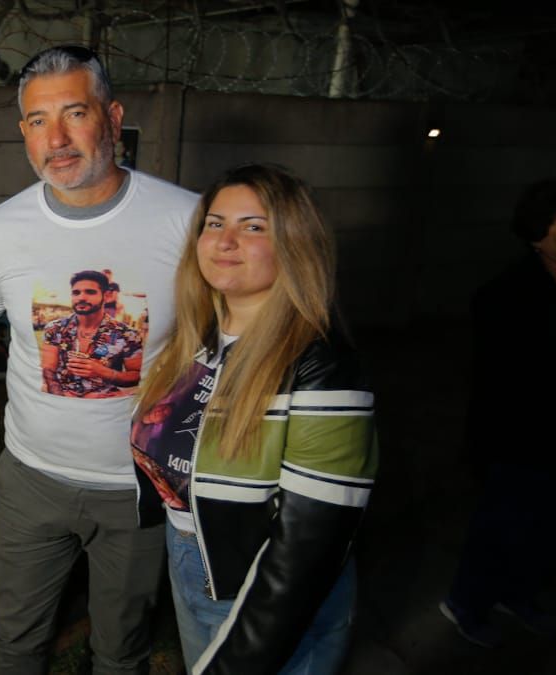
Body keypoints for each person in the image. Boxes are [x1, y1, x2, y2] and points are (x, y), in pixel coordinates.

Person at [0, 45, 198, 674]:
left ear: (114, 117)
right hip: (30, 482)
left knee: (120, 651)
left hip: (138, 489)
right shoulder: (0, 229)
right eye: (39, 121)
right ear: (23, 133)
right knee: (14, 643)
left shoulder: (187, 220)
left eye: (75, 113)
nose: (57, 139)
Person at [132, 163, 378, 674]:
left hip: (275, 597)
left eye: (254, 226)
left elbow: (308, 551)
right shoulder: (194, 340)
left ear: (294, 244)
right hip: (192, 562)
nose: (225, 240)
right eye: (215, 223)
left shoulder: (323, 365)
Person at [439, 178, 556, 647]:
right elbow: (502, 386)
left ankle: (520, 595)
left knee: (549, 532)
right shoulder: (506, 297)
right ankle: (466, 604)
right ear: (539, 233)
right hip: (520, 442)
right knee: (502, 526)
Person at [39, 269, 143, 397]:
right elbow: (48, 370)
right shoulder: (55, 328)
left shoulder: (126, 334)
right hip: (62, 396)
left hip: (103, 400)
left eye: (90, 292)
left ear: (106, 296)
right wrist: (62, 397)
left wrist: (103, 372)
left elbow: (137, 375)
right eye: (76, 293)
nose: (81, 297)